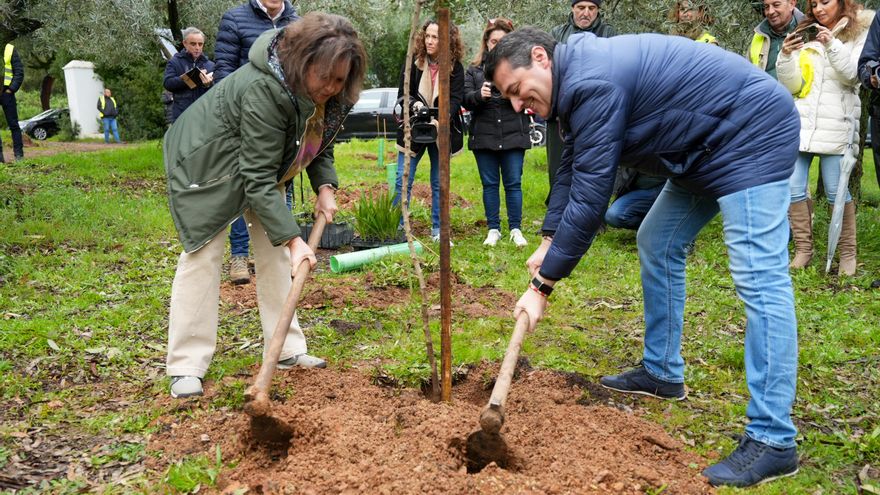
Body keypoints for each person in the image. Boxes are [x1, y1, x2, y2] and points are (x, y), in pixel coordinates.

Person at [487, 27, 800, 487]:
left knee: (760, 278)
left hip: (750, 134)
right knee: (657, 239)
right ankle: (662, 371)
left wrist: (542, 287)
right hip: (700, 151)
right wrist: (550, 239)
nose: (518, 105)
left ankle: (773, 439)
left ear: (541, 58)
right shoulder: (575, 88)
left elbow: (593, 196)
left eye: (517, 91)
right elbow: (573, 167)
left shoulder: (594, 82)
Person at [163, 13, 366, 399]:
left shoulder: (324, 88)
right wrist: (295, 240)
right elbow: (255, 179)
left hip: (259, 160)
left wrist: (325, 185)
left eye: (340, 80)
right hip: (206, 163)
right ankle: (187, 364)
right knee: (203, 252)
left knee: (275, 249)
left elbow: (316, 136)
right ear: (303, 63)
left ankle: (286, 348)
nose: (330, 88)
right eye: (325, 77)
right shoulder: (263, 88)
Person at [777, 0, 872, 275]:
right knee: (793, 188)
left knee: (836, 191)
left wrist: (831, 44)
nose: (819, 9)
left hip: (837, 125)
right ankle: (803, 251)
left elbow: (853, 76)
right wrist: (784, 57)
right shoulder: (805, 31)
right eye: (814, 3)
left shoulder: (859, 30)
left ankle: (846, 255)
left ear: (842, 3)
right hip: (802, 123)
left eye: (825, 2)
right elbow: (793, 84)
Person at [215, 0, 299, 285]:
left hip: (283, 123)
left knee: (280, 187)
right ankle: (239, 255)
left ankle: (283, 255)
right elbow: (223, 70)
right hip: (245, 119)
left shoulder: (296, 22)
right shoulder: (235, 19)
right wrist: (236, 113)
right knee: (242, 191)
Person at [392, 19, 465, 243]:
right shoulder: (413, 64)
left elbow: (455, 100)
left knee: (439, 182)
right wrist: (415, 105)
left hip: (440, 131)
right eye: (428, 36)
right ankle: (398, 229)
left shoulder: (456, 68)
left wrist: (440, 119)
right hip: (413, 128)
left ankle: (438, 231)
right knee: (402, 179)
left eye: (436, 37)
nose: (431, 41)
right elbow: (402, 95)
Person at [463, 18, 531, 247]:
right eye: (494, 41)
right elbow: (465, 99)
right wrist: (478, 96)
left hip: (514, 134)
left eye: (503, 41)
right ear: (486, 42)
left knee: (513, 183)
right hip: (484, 135)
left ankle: (515, 228)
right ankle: (493, 229)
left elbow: (530, 96)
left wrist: (512, 91)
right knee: (489, 184)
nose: (498, 45)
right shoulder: (474, 71)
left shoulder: (522, 68)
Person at [545, 1, 616, 206]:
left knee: (594, 163)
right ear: (572, 8)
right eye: (581, 7)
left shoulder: (608, 33)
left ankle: (593, 214)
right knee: (558, 164)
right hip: (561, 110)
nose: (586, 13)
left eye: (591, 8)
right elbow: (549, 69)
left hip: (595, 111)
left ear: (598, 11)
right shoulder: (557, 33)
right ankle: (558, 211)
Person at [163, 27, 215, 123]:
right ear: (184, 44)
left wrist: (208, 85)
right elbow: (168, 83)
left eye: (200, 44)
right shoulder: (174, 62)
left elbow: (217, 92)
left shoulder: (210, 65)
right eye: (193, 44)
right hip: (181, 116)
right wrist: (192, 78)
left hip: (204, 116)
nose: (197, 47)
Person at [749, 0, 805, 79]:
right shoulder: (759, 35)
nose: (770, 12)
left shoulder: (810, 30)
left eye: (776, 5)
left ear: (791, 4)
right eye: (766, 7)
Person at [1, 41, 25, 162]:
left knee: (14, 125)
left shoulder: (9, 49)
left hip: (7, 93)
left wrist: (11, 89)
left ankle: (19, 156)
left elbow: (19, 72)